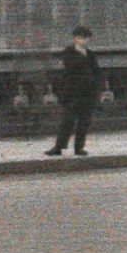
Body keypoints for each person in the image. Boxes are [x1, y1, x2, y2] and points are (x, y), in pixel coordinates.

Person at [45, 25, 103, 156]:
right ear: (74, 39)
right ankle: (59, 147)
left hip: (88, 94)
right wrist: (82, 56)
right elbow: (72, 67)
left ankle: (79, 147)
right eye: (79, 38)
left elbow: (97, 72)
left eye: (84, 38)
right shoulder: (69, 52)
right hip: (72, 94)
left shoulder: (91, 54)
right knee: (67, 122)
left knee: (84, 123)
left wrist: (95, 88)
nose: (81, 41)